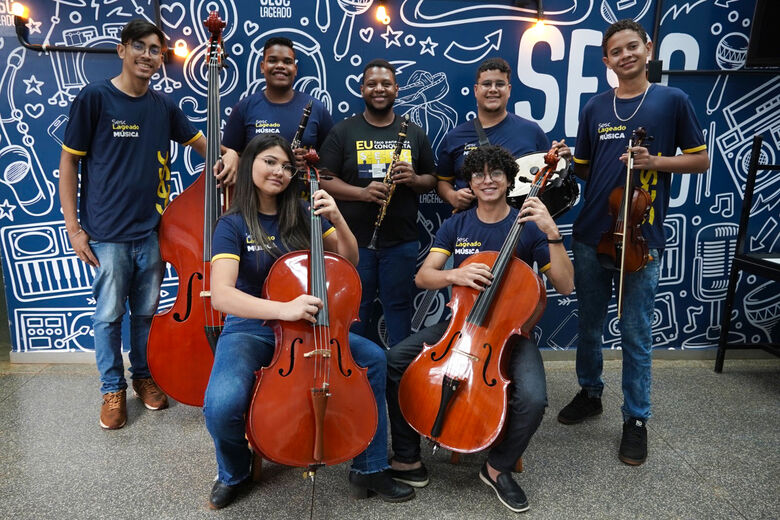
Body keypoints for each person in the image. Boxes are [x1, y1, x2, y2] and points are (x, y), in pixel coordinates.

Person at [203, 134, 414, 509]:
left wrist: (336, 217)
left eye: (286, 166)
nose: (279, 172)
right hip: (253, 326)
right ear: (251, 162)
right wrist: (282, 310)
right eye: (270, 162)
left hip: (313, 327)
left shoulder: (302, 212)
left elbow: (347, 260)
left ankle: (370, 467)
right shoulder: (232, 224)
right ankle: (233, 472)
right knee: (221, 404)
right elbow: (221, 295)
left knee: (374, 359)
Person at [59, 19, 237, 430]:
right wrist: (74, 228)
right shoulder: (95, 98)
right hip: (105, 234)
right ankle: (111, 388)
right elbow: (68, 163)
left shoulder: (163, 107)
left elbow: (206, 145)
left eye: (155, 49)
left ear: (161, 59)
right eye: (139, 46)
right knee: (107, 316)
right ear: (122, 50)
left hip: (153, 233)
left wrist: (230, 156)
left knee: (146, 314)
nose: (147, 55)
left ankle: (144, 376)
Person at [386, 145, 574, 513]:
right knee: (394, 359)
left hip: (509, 336)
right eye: (478, 174)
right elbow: (424, 276)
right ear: (470, 181)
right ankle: (407, 458)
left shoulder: (529, 227)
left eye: (495, 173)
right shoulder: (457, 223)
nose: (487, 181)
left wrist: (552, 233)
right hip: (461, 324)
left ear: (508, 179)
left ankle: (497, 467)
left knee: (534, 398)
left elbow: (566, 286)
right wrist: (456, 274)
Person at [558, 19, 709, 466]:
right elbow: (585, 168)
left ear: (648, 48)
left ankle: (636, 419)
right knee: (589, 323)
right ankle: (590, 393)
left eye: (631, 47)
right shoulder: (595, 108)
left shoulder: (671, 100)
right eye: (615, 52)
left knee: (636, 331)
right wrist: (569, 158)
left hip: (642, 238)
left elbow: (700, 160)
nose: (625, 56)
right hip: (590, 234)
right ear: (606, 61)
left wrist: (654, 160)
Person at [318, 59, 437, 348]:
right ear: (362, 90)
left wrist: (413, 179)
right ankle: (352, 379)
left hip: (401, 242)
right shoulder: (343, 131)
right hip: (355, 242)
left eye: (386, 84)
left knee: (399, 310)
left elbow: (432, 179)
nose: (379, 89)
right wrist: (361, 193)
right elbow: (322, 179)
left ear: (396, 89)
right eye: (372, 84)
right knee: (354, 311)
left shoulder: (414, 132)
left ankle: (399, 382)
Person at [436, 57, 568, 211]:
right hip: (471, 228)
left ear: (509, 90)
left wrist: (561, 161)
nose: (493, 89)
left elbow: (549, 177)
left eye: (499, 84)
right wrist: (452, 196)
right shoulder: (455, 137)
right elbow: (442, 181)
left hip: (522, 225)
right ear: (476, 90)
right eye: (486, 84)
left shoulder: (532, 131)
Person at [222, 36, 333, 170]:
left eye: (287, 62)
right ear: (262, 67)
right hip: (256, 190)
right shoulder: (244, 108)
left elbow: (331, 163)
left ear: (295, 69)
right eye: (272, 60)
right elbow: (229, 158)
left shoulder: (317, 108)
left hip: (303, 190)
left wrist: (310, 160)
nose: (280, 66)